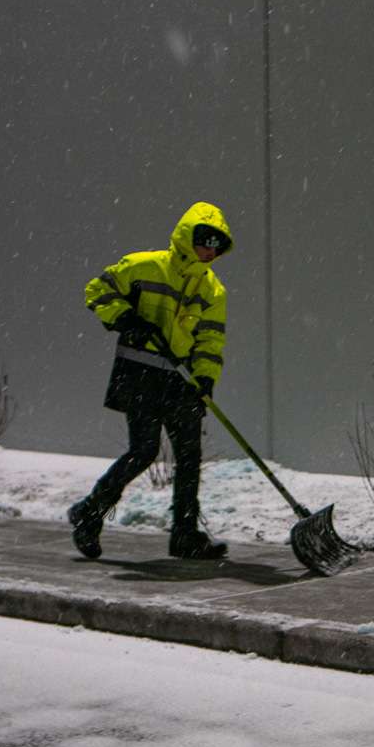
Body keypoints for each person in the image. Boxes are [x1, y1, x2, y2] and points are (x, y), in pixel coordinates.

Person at [68, 201, 233, 561]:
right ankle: (91, 514)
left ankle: (185, 536)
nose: (210, 251)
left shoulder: (212, 290)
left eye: (217, 246)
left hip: (180, 380)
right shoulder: (144, 265)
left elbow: (210, 340)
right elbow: (97, 291)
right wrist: (125, 317)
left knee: (190, 456)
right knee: (144, 451)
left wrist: (205, 379)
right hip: (140, 373)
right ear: (188, 237)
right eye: (206, 241)